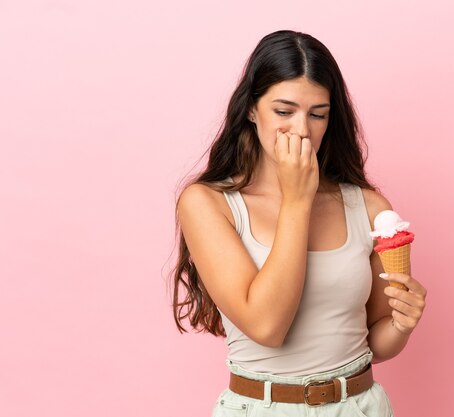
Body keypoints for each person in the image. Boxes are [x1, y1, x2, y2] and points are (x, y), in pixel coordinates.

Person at [171, 29, 427, 416]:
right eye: (283, 111)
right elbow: (266, 326)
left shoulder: (369, 207)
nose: (302, 130)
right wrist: (297, 201)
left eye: (318, 114)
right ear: (251, 110)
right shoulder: (208, 203)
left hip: (357, 406)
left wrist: (403, 325)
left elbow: (374, 341)